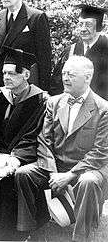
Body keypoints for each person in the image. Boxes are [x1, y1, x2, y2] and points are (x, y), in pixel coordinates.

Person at [15, 55, 108, 242]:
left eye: (71, 75)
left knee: (88, 181)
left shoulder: (103, 109)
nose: (65, 78)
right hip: (55, 166)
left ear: (88, 77)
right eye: (64, 73)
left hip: (88, 168)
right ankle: (32, 232)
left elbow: (100, 152)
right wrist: (53, 173)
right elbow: (44, 140)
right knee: (23, 173)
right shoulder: (54, 102)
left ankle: (81, 237)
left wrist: (70, 175)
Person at [0, 46, 49, 241]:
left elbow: (37, 136)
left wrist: (15, 158)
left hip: (21, 159)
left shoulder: (41, 101)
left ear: (26, 74)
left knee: (9, 180)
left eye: (11, 73)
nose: (6, 77)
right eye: (4, 73)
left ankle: (11, 234)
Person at [0, 0, 52, 91]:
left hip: (26, 83)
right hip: (1, 82)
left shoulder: (36, 17)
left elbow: (44, 57)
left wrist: (43, 89)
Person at [50, 4, 108, 100]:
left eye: (88, 25)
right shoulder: (70, 51)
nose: (83, 29)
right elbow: (56, 85)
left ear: (100, 27)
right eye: (81, 24)